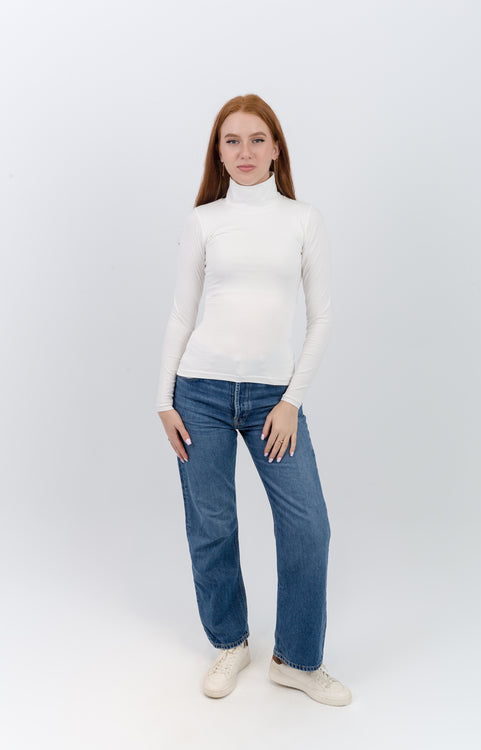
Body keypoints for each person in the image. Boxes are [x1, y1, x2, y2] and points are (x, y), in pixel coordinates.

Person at [155, 94, 352, 707]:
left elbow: (322, 318)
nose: (245, 151)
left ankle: (297, 660)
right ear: (219, 152)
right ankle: (230, 642)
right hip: (199, 394)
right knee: (212, 525)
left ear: (276, 148)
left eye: (257, 139)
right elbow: (182, 314)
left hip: (274, 400)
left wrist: (291, 401)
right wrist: (164, 400)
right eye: (232, 140)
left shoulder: (303, 220)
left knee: (308, 526)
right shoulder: (204, 221)